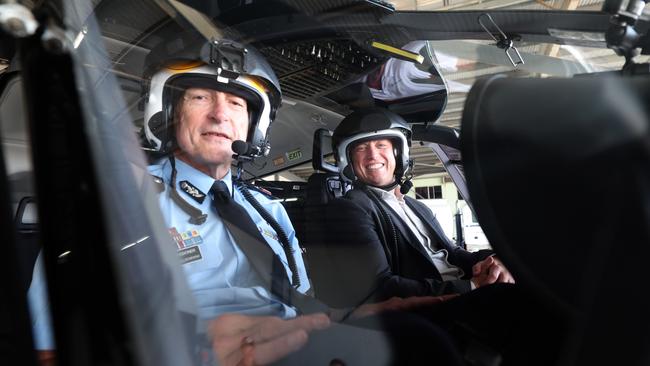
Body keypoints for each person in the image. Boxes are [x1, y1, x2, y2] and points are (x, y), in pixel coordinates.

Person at [313, 107, 514, 307]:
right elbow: (381, 287)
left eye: (381, 145)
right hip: (438, 309)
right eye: (361, 148)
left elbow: (456, 255)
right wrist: (470, 287)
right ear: (349, 160)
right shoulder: (350, 208)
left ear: (399, 154)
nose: (373, 155)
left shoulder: (417, 207)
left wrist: (497, 261)